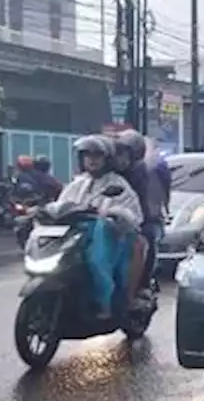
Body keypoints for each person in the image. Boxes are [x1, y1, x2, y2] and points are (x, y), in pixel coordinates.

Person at [45, 135, 143, 319]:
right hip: (76, 235)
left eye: (97, 155)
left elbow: (132, 216)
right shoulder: (77, 183)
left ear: (107, 159)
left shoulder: (118, 184)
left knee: (96, 260)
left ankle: (104, 304)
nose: (92, 159)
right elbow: (61, 205)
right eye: (87, 155)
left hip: (108, 236)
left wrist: (113, 213)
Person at [111, 129, 171, 289]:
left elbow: (148, 203)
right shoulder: (101, 175)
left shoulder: (142, 172)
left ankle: (141, 286)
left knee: (145, 240)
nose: (120, 159)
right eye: (117, 154)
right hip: (104, 221)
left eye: (124, 154)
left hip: (140, 219)